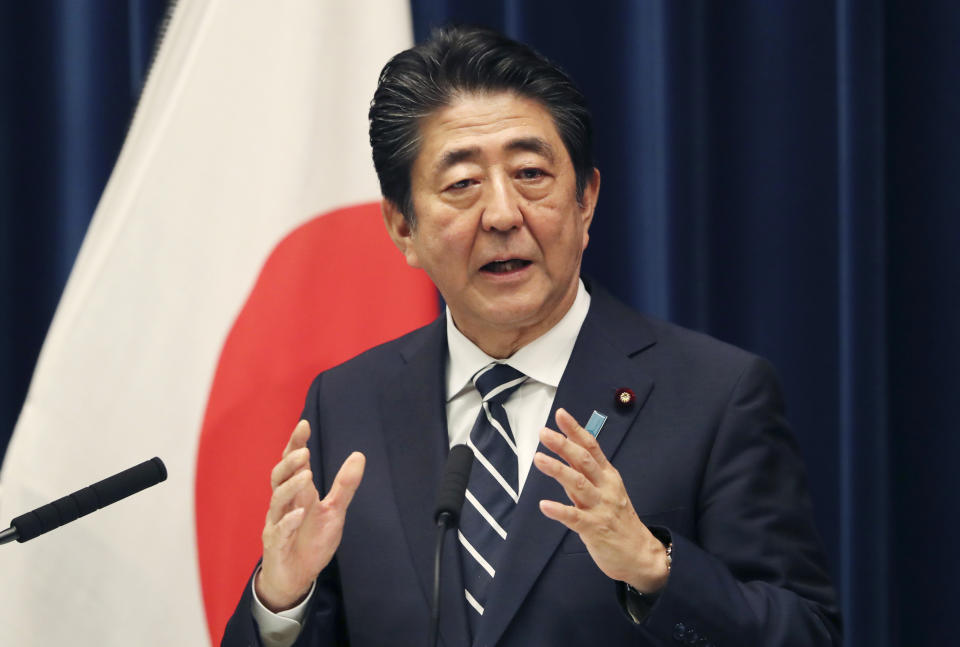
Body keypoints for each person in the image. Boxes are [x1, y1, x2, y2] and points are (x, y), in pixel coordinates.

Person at [223, 26, 841, 647]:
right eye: (462, 184)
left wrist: (654, 570)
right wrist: (284, 599)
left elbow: (807, 634)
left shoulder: (715, 396)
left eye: (531, 174)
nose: (502, 214)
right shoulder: (348, 403)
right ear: (403, 227)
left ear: (586, 201)